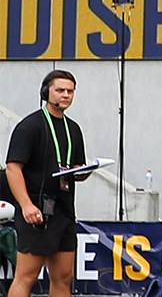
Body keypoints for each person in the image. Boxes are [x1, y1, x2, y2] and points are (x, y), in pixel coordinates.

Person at [5, 70, 88, 297]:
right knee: (26, 277)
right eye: (60, 90)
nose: (66, 95)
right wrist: (26, 205)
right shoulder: (30, 126)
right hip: (37, 211)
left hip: (64, 211)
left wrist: (83, 172)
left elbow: (75, 168)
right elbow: (12, 168)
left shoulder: (73, 129)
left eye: (70, 91)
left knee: (63, 278)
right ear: (45, 92)